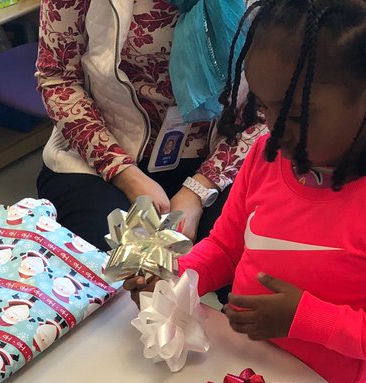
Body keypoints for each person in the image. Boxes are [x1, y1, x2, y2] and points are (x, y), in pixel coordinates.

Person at [174, 0, 366, 383]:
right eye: (263, 104)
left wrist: (306, 320)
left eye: (297, 113)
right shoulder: (267, 155)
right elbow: (225, 248)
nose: (273, 127)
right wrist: (177, 279)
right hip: (239, 370)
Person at [35, 0, 266, 247]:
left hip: (222, 156)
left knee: (243, 257)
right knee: (122, 264)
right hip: (102, 157)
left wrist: (200, 188)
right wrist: (123, 173)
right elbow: (59, 78)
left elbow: (271, 100)